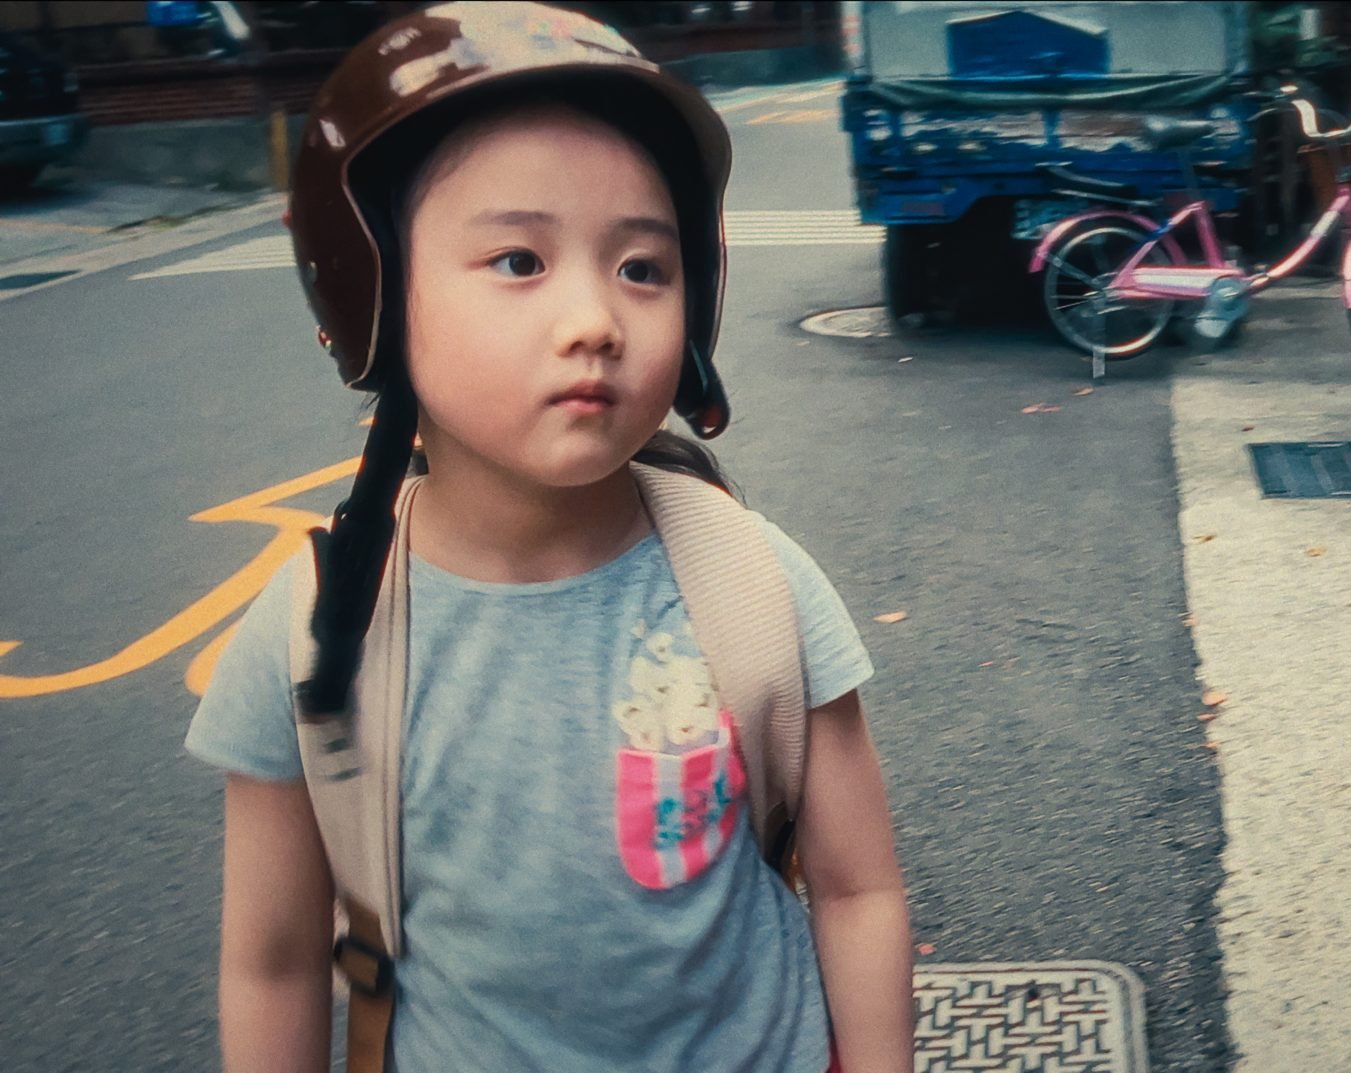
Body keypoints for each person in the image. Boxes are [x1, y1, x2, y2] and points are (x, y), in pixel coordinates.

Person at [182, 5, 911, 1072]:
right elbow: (274, 963)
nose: (595, 320)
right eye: (520, 259)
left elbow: (858, 886)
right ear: (375, 287)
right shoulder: (313, 643)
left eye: (642, 268)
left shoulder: (753, 585)